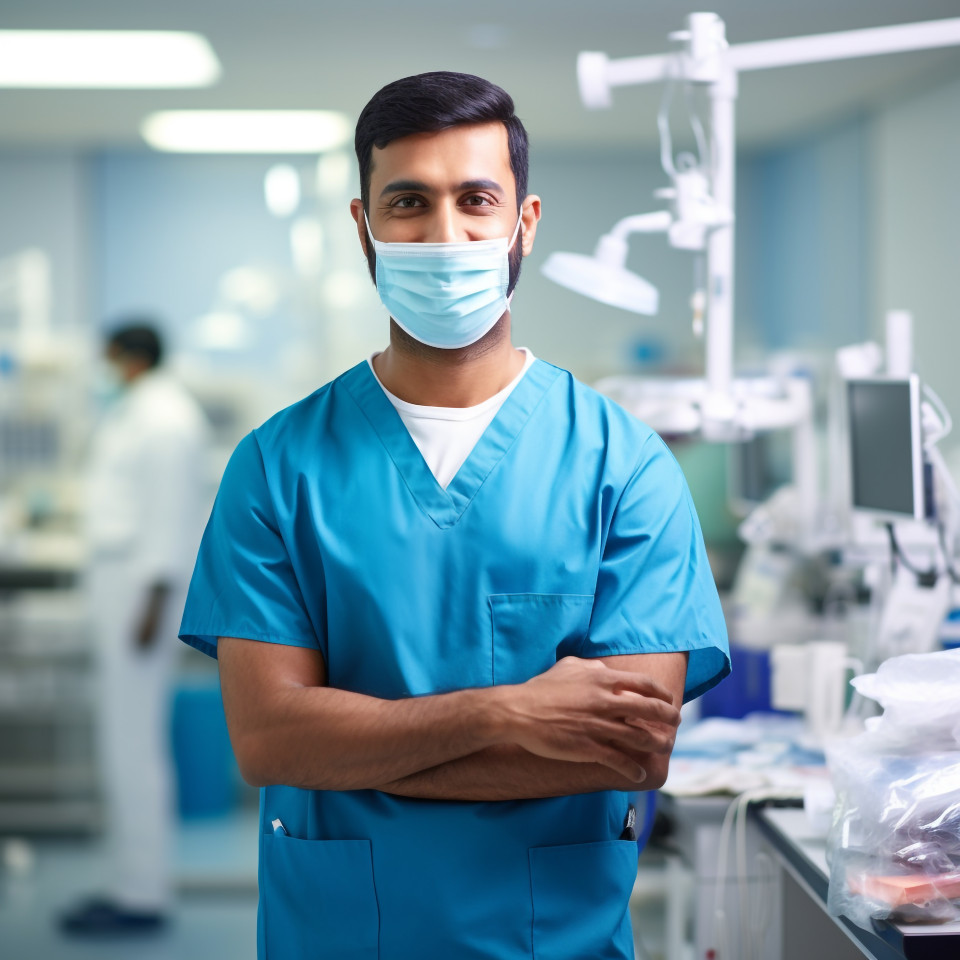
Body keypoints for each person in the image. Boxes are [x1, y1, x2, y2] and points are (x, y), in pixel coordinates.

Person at [180, 72, 730, 959]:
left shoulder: (622, 466)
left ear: (526, 222)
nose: (445, 235)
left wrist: (358, 750)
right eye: (408, 202)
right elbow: (270, 740)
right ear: (364, 227)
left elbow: (628, 751)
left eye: (477, 200)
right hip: (342, 937)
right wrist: (505, 715)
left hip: (554, 939)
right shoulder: (276, 466)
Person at [62, 322, 209, 934]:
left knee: (133, 744)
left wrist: (153, 600)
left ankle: (142, 895)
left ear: (129, 357)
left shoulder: (166, 419)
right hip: (122, 588)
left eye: (106, 357)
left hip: (139, 595)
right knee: (121, 742)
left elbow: (171, 518)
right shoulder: (137, 413)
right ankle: (128, 882)